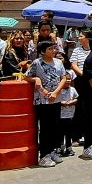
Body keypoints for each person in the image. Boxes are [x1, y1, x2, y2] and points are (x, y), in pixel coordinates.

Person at [25, 39, 67, 167]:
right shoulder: (37, 63)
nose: (53, 51)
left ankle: (52, 150)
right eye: (50, 49)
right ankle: (44, 154)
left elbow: (63, 78)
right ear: (43, 51)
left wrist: (56, 92)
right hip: (42, 100)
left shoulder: (59, 62)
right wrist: (36, 79)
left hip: (56, 98)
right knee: (45, 128)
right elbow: (27, 76)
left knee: (55, 126)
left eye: (54, 48)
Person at [57, 65, 79, 157]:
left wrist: (71, 102)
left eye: (69, 79)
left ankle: (69, 147)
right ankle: (61, 148)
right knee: (61, 133)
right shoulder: (59, 90)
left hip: (70, 115)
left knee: (69, 133)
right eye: (66, 79)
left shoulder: (72, 89)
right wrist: (63, 103)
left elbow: (76, 98)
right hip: (61, 116)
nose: (68, 81)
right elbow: (57, 100)